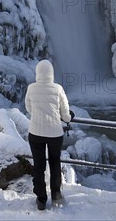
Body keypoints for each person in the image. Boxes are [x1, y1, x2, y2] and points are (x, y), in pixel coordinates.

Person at [25, 59, 74, 210]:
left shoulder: (31, 88)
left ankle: (41, 199)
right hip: (54, 133)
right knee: (55, 164)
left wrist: (40, 113)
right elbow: (65, 115)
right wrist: (70, 116)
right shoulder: (58, 89)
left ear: (38, 73)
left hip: (35, 132)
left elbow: (28, 108)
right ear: (51, 74)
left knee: (39, 166)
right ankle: (56, 196)